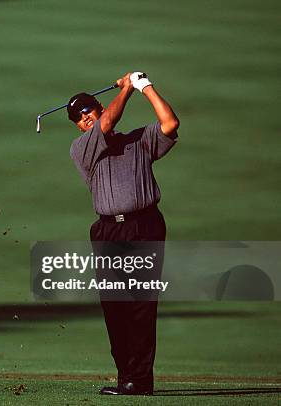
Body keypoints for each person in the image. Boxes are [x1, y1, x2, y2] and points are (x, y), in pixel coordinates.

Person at [68, 72, 179, 396]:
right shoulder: (83, 149)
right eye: (77, 117)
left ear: (99, 106)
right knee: (115, 305)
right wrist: (128, 88)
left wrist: (145, 88)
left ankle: (139, 380)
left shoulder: (138, 140)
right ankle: (126, 376)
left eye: (88, 109)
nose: (85, 117)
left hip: (144, 224)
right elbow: (105, 125)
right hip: (107, 229)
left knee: (141, 303)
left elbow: (170, 124)